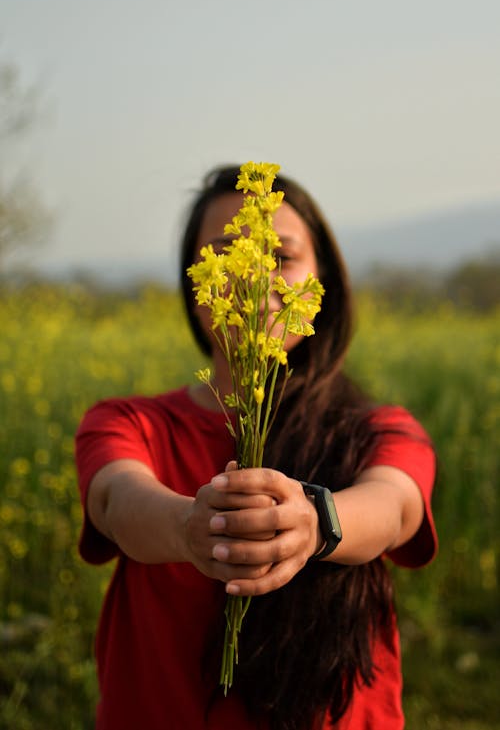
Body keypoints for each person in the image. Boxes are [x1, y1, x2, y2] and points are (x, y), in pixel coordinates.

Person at [75, 164, 438, 730]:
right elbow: (117, 502)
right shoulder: (127, 422)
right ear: (194, 284)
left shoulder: (378, 429)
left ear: (324, 289)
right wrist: (187, 528)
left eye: (282, 256)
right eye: (226, 255)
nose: (256, 275)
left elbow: (394, 507)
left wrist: (317, 524)